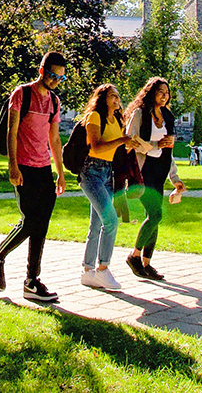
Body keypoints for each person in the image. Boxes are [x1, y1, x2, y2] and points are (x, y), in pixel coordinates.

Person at [0, 52, 67, 303]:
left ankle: (32, 281)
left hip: (43, 168)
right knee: (31, 220)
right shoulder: (22, 93)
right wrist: (13, 166)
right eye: (52, 75)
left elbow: (54, 139)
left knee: (41, 225)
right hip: (23, 166)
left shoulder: (54, 101)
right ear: (41, 71)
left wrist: (60, 173)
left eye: (60, 78)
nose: (55, 81)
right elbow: (11, 131)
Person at [124, 77, 186, 281]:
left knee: (155, 218)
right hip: (142, 171)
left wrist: (175, 178)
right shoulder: (140, 114)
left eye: (167, 92)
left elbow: (169, 150)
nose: (164, 95)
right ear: (151, 92)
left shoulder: (168, 116)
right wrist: (156, 144)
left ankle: (146, 263)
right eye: (160, 91)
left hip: (159, 172)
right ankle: (133, 256)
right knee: (156, 214)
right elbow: (130, 142)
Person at [79, 84, 138, 291]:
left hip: (108, 174)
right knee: (111, 221)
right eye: (112, 96)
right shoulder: (95, 116)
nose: (116, 100)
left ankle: (88, 272)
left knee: (96, 225)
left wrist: (128, 144)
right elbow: (96, 146)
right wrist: (121, 139)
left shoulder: (117, 120)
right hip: (92, 172)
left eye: (118, 96)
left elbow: (114, 147)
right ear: (103, 99)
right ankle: (103, 270)